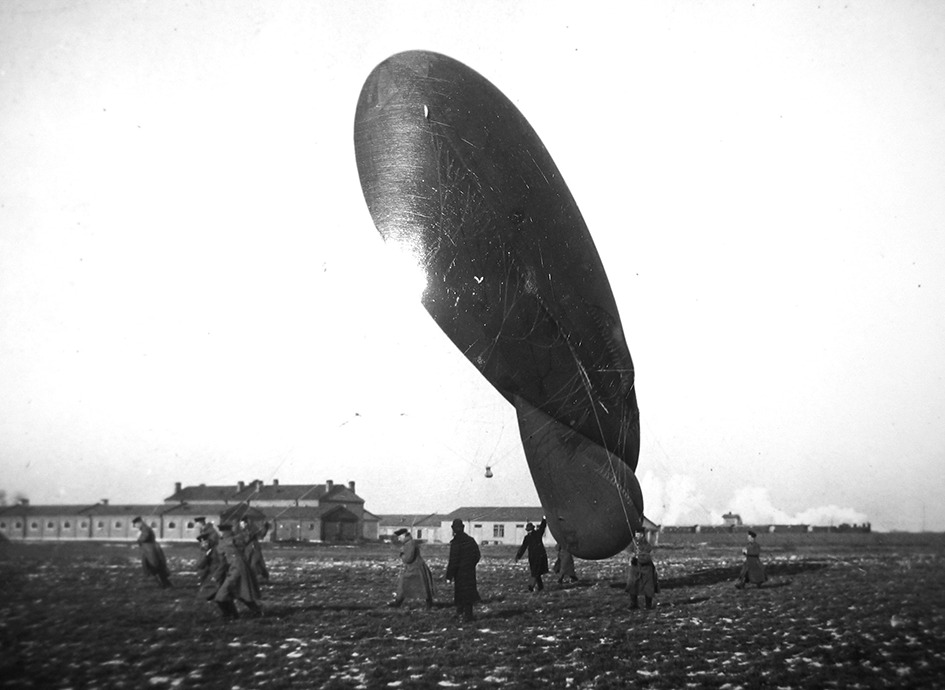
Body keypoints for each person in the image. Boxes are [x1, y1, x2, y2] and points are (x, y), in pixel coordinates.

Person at [213, 523, 263, 618]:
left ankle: (229, 615)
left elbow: (223, 562)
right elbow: (246, 540)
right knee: (240, 592)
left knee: (224, 594)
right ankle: (254, 611)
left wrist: (216, 575)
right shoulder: (235, 540)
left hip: (237, 569)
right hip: (237, 568)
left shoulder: (226, 542)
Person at [445, 518, 481, 623]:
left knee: (460, 593)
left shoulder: (456, 542)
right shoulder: (470, 540)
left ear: (453, 529)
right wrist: (470, 565)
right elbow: (477, 555)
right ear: (463, 528)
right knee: (468, 593)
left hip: (459, 573)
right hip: (469, 572)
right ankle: (467, 615)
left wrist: (449, 575)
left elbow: (453, 560)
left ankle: (461, 614)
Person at [389, 528, 435, 608]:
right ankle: (398, 602)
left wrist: (402, 555)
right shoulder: (409, 543)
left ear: (403, 535)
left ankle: (398, 602)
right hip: (415, 567)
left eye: (399, 537)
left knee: (405, 584)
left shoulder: (409, 544)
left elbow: (409, 559)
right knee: (420, 586)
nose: (399, 539)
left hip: (415, 568)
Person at [195, 531, 236, 618]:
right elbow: (200, 565)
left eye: (205, 542)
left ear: (209, 541)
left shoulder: (216, 549)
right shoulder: (204, 552)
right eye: (202, 543)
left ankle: (232, 614)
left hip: (220, 576)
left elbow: (223, 563)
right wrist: (206, 555)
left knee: (223, 596)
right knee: (218, 597)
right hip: (211, 577)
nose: (204, 544)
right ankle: (228, 614)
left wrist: (216, 575)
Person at [132, 516, 171, 588]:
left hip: (151, 551)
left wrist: (138, 538)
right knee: (152, 567)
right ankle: (162, 583)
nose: (136, 526)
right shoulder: (144, 528)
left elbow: (144, 538)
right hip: (148, 551)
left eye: (136, 525)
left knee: (155, 566)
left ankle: (164, 584)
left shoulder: (145, 529)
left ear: (140, 522)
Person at [625, 529, 659, 609]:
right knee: (632, 586)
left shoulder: (647, 545)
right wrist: (631, 557)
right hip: (635, 568)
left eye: (639, 534)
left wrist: (638, 557)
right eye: (636, 534)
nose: (637, 535)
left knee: (648, 587)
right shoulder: (632, 544)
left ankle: (648, 605)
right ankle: (634, 604)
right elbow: (628, 552)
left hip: (646, 569)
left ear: (643, 535)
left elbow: (648, 556)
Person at [515, 517, 549, 592]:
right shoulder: (534, 535)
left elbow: (523, 547)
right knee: (536, 572)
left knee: (535, 572)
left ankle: (531, 586)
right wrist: (544, 519)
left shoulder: (531, 536)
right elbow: (542, 527)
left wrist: (518, 556)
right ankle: (540, 587)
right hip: (537, 556)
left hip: (536, 557)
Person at [238, 516, 270, 582]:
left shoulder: (253, 529)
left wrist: (265, 527)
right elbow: (242, 540)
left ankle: (261, 576)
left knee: (256, 563)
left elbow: (261, 535)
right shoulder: (240, 531)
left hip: (254, 548)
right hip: (247, 549)